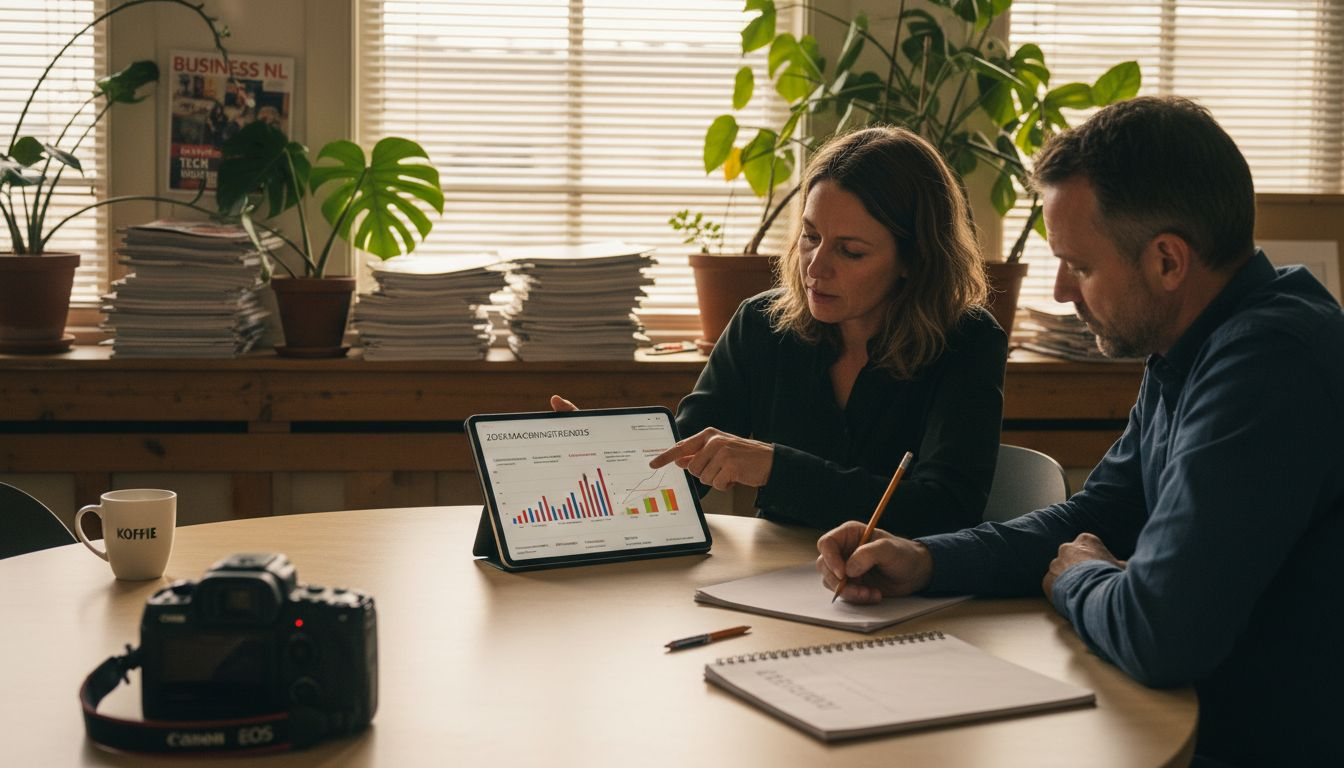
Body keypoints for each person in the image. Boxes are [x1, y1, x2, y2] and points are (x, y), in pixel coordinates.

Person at [816, 97, 1344, 766]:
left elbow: (1160, 633)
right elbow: (1101, 514)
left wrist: (1080, 579)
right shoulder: (1191, 343)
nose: (1062, 291)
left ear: (1168, 262)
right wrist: (927, 560)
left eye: (1082, 266)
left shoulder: (1269, 365)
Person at [555, 126, 1007, 535]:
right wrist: (601, 455)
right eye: (810, 236)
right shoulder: (761, 324)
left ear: (914, 259)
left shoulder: (966, 341)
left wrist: (777, 468)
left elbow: (946, 511)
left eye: (850, 251)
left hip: (899, 593)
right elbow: (684, 468)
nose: (816, 266)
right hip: (772, 584)